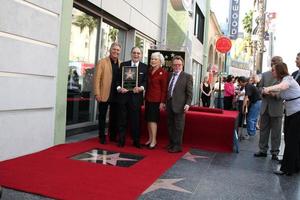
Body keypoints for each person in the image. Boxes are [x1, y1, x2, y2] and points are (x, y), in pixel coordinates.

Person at [263, 62, 300, 176]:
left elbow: (282, 87)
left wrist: (268, 88)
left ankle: (287, 169)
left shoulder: (287, 79)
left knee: (291, 141)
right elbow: (281, 91)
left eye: (273, 70)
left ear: (279, 70)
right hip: (292, 112)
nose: (272, 71)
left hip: (297, 112)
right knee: (292, 140)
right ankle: (295, 166)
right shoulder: (283, 80)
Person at [117, 47, 147, 148]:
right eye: (134, 53)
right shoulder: (123, 65)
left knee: (135, 121)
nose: (136, 55)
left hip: (136, 98)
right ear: (131, 54)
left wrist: (141, 88)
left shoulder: (144, 67)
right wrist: (119, 88)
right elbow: (117, 80)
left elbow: (146, 82)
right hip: (123, 97)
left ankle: (136, 141)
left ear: (141, 55)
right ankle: (121, 140)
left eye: (138, 53)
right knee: (122, 119)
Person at [254, 56, 284, 160]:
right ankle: (262, 150)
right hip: (265, 106)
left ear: (280, 63)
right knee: (263, 130)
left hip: (277, 107)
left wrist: (276, 95)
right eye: (272, 62)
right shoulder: (265, 74)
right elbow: (259, 87)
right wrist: (262, 91)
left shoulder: (284, 76)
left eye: (275, 62)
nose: (273, 64)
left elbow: (285, 91)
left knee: (276, 132)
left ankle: (275, 152)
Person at [93, 42, 121, 144]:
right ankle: (101, 136)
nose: (116, 51)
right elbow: (97, 79)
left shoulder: (120, 63)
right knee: (102, 116)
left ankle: (113, 136)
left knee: (114, 117)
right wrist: (97, 93)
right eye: (114, 49)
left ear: (120, 52)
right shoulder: (102, 62)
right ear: (110, 50)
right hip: (104, 93)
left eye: (118, 50)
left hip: (117, 95)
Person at [166, 56, 193, 153]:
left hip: (180, 105)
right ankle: (172, 143)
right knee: (170, 125)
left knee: (178, 127)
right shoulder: (169, 75)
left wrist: (188, 104)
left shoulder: (187, 76)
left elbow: (190, 93)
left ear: (182, 65)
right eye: (175, 65)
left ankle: (177, 146)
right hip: (169, 104)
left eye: (179, 65)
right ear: (172, 65)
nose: (177, 66)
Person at [144, 52, 168, 149]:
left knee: (153, 120)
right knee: (148, 120)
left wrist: (162, 102)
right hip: (148, 99)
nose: (152, 61)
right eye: (152, 59)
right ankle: (150, 139)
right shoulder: (149, 71)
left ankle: (154, 140)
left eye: (155, 59)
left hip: (156, 100)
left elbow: (164, 89)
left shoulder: (163, 72)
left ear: (160, 61)